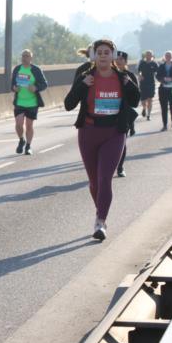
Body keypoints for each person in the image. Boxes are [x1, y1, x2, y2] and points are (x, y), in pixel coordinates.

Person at [64, 38, 139, 240]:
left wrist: (129, 85)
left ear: (113, 56)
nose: (103, 56)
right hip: (89, 132)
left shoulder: (123, 76)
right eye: (100, 52)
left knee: (105, 178)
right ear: (94, 55)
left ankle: (101, 221)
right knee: (94, 181)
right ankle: (101, 210)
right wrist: (81, 85)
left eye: (107, 52)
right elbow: (68, 104)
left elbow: (135, 100)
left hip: (114, 133)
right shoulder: (85, 75)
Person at [8, 49, 48, 155]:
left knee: (29, 126)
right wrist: (14, 88)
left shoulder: (36, 70)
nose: (24, 58)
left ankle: (28, 146)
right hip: (20, 102)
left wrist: (36, 87)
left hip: (32, 103)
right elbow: (12, 85)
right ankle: (21, 140)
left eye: (27, 56)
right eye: (23, 56)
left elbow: (44, 84)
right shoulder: (17, 69)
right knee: (18, 124)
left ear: (31, 58)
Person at [114, 51, 138, 177]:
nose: (118, 61)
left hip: (124, 113)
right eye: (116, 58)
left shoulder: (129, 76)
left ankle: (120, 167)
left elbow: (136, 97)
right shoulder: (108, 74)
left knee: (121, 141)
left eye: (121, 59)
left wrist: (128, 84)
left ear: (125, 62)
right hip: (108, 112)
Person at [156, 51, 172, 130]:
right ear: (165, 57)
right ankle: (165, 125)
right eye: (166, 55)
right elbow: (157, 76)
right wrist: (163, 79)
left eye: (169, 56)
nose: (168, 57)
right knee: (163, 108)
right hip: (163, 89)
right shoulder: (161, 66)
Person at [137, 51, 158, 120]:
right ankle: (144, 108)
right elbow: (139, 71)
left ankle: (148, 115)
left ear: (152, 55)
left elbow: (157, 72)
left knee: (150, 99)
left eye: (150, 55)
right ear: (145, 56)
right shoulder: (142, 63)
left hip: (151, 84)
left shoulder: (154, 63)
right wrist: (140, 75)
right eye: (147, 55)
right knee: (143, 100)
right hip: (143, 83)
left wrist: (157, 76)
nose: (148, 56)